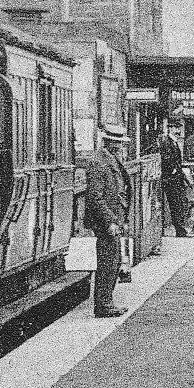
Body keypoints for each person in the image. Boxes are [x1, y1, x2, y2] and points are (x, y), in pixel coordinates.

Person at [76, 125, 133, 317]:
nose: (122, 148)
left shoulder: (110, 160)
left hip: (113, 219)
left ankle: (107, 302)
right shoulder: (99, 163)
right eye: (119, 144)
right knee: (108, 261)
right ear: (112, 144)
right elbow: (95, 197)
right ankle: (103, 304)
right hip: (106, 222)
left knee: (113, 260)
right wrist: (110, 221)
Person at [158, 121, 193, 237]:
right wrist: (173, 169)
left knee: (179, 203)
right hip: (171, 178)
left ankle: (180, 229)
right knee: (175, 204)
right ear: (170, 129)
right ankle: (180, 230)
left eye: (179, 128)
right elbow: (167, 159)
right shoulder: (166, 142)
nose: (178, 131)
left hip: (176, 177)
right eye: (175, 128)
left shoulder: (174, 142)